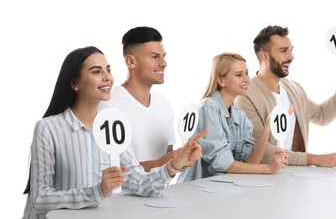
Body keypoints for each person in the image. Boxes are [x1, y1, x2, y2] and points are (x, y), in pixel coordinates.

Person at [22, 46, 207, 218]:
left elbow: (140, 182)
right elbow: (39, 199)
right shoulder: (48, 129)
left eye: (108, 70)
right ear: (75, 83)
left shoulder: (113, 126)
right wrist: (97, 191)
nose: (107, 77)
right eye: (96, 71)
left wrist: (173, 165)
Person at [235, 25, 336, 168]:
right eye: (283, 51)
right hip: (268, 180)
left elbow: (322, 116)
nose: (291, 57)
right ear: (264, 56)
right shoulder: (245, 96)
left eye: (291, 50)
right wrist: (315, 159)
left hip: (298, 178)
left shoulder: (294, 89)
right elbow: (260, 151)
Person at [178, 53, 288, 182]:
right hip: (196, 189)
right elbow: (224, 165)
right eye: (239, 75)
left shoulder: (240, 116)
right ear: (221, 80)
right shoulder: (208, 108)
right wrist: (268, 168)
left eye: (247, 73)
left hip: (222, 189)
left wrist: (268, 125)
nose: (247, 79)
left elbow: (251, 162)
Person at [99, 26, 177, 172]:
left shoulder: (164, 103)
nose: (164, 63)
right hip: (122, 195)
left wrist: (183, 158)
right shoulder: (108, 104)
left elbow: (168, 156)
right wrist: (166, 162)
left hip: (160, 193)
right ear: (131, 61)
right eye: (155, 57)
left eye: (163, 56)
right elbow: (109, 169)